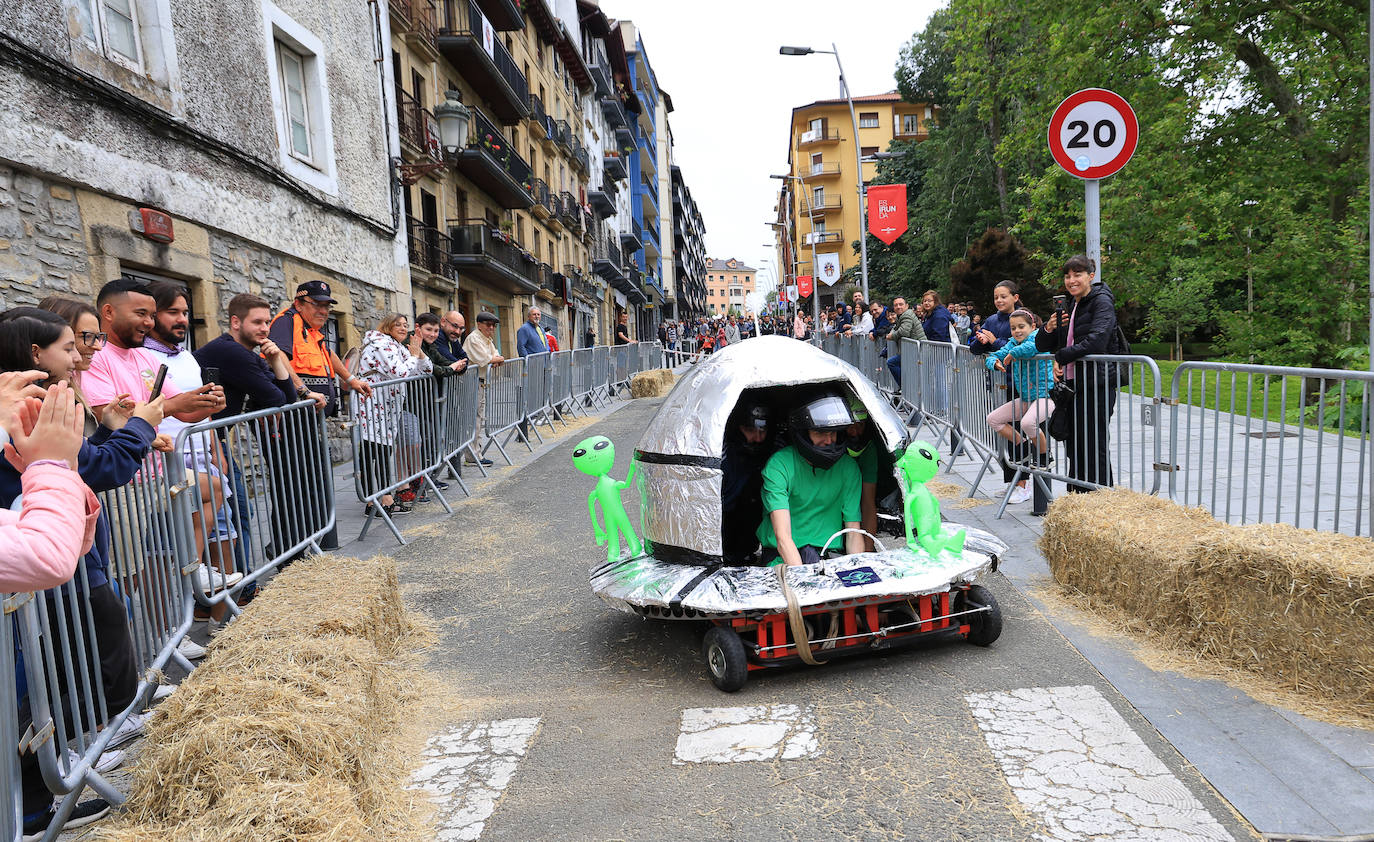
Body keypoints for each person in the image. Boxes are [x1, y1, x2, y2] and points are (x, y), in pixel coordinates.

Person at [142, 282, 242, 621]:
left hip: (203, 460)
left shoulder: (187, 356)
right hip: (166, 463)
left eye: (185, 312)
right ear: (152, 315)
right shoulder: (143, 357)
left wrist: (216, 447)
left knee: (223, 539)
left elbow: (202, 407)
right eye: (173, 312)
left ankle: (219, 625)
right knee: (161, 554)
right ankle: (168, 633)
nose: (182, 319)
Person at [1036, 255, 1122, 490]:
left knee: (1094, 443)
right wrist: (1048, 328)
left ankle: (1100, 495)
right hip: (1072, 386)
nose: (1071, 280)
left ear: (1090, 276)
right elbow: (1042, 345)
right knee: (1074, 442)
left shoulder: (1101, 301)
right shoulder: (1071, 304)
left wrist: (1061, 357)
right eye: (1067, 276)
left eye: (1077, 275)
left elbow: (1097, 341)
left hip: (1096, 384)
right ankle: (1077, 493)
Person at [756, 392, 865, 566]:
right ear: (803, 433)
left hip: (828, 557)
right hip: (783, 558)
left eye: (833, 433)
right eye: (820, 432)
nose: (828, 440)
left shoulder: (848, 468)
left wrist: (858, 571)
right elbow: (783, 537)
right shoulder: (779, 466)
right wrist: (803, 577)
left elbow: (853, 531)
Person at [356, 314, 433, 514]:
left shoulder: (396, 346)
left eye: (405, 325)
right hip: (372, 403)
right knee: (374, 451)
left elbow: (426, 370)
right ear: (387, 326)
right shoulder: (381, 344)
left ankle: (380, 498)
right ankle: (377, 500)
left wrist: (418, 351)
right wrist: (414, 356)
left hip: (388, 407)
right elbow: (401, 373)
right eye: (397, 324)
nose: (403, 328)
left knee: (382, 450)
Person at [985, 309, 1055, 504]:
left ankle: (1044, 455)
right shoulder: (1012, 343)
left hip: (1045, 396)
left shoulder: (1038, 339)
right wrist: (994, 362)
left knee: (1027, 423)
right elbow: (993, 355)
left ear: (1033, 327)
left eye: (1021, 327)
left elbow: (1032, 348)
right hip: (1025, 398)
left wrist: (1011, 354)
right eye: (1013, 328)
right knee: (993, 419)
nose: (1017, 331)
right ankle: (1024, 446)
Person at [969, 280, 1026, 494]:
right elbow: (974, 348)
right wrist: (981, 340)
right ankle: (1012, 482)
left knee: (1019, 432)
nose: (999, 301)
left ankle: (1023, 484)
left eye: (1003, 296)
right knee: (1004, 435)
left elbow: (1023, 346)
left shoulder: (1023, 317)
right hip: (998, 384)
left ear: (1015, 297)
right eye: (996, 297)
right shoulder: (992, 320)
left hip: (1019, 383)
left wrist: (994, 341)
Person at [719, 401, 774, 564]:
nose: (758, 438)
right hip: (725, 532)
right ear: (737, 428)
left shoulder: (776, 451)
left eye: (762, 431)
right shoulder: (722, 457)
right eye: (750, 430)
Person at [462, 311, 504, 465]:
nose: (491, 328)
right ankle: (472, 455)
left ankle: (475, 453)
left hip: (480, 382)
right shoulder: (474, 338)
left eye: (493, 325)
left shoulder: (486, 339)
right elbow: (487, 359)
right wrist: (496, 359)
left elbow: (495, 355)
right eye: (488, 324)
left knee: (478, 419)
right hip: (471, 382)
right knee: (473, 420)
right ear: (479, 325)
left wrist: (495, 359)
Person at [841, 399, 880, 551]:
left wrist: (868, 551)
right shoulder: (828, 444)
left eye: (860, 425)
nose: (855, 432)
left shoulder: (868, 449)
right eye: (850, 426)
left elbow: (868, 503)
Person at [885, 297, 926, 385]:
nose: (898, 307)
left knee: (891, 362)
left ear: (906, 306)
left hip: (917, 350)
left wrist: (891, 336)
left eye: (901, 304)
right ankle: (907, 387)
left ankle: (904, 386)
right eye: (896, 305)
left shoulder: (906, 315)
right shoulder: (902, 316)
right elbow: (895, 328)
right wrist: (891, 333)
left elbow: (904, 332)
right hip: (913, 350)